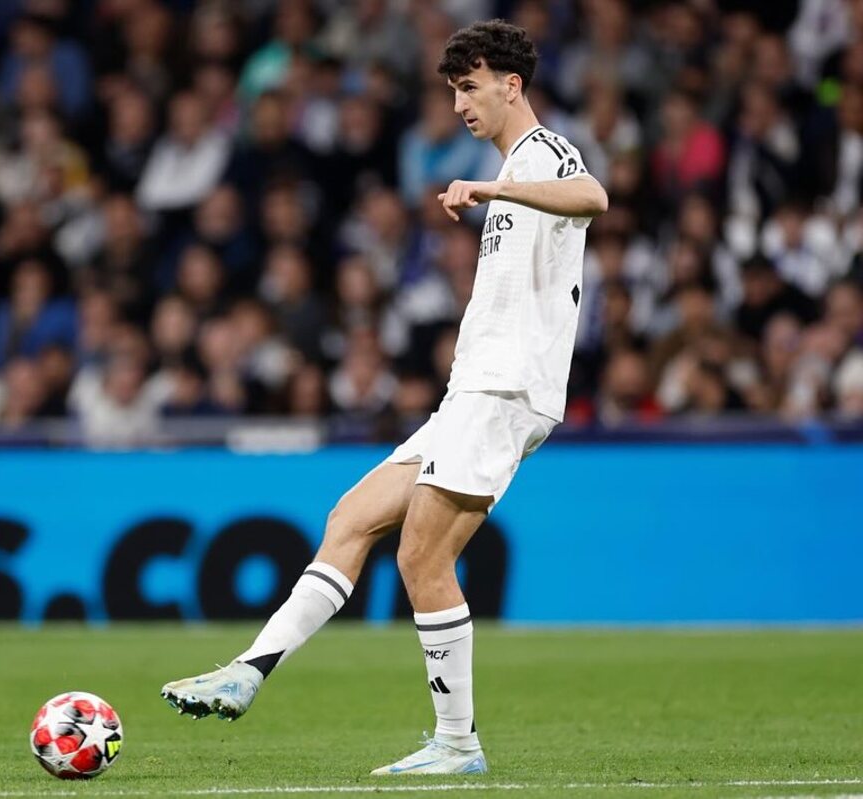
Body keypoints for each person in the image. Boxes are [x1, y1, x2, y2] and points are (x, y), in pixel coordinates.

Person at [160, 20, 607, 777]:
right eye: (451, 90)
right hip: (472, 390)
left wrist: (493, 184)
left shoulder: (543, 154)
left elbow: (593, 194)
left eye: (469, 87)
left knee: (422, 555)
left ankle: (458, 743)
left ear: (512, 85)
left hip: (507, 391)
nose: (460, 104)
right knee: (351, 516)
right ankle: (248, 670)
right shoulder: (513, 168)